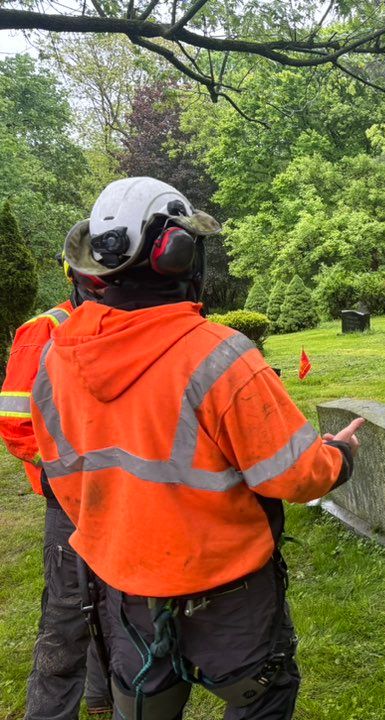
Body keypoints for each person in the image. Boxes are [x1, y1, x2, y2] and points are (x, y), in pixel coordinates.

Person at [30, 177, 364, 719]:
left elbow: (65, 480)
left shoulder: (55, 357)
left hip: (123, 588)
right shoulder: (218, 355)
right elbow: (296, 476)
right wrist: (339, 457)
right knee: (263, 697)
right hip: (227, 594)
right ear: (176, 252)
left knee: (143, 709)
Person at [0, 262, 111, 719]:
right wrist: (60, 470)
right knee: (68, 617)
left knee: (116, 602)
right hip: (70, 497)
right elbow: (15, 419)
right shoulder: (45, 328)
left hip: (122, 491)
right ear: (77, 276)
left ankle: (101, 694)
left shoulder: (122, 321)